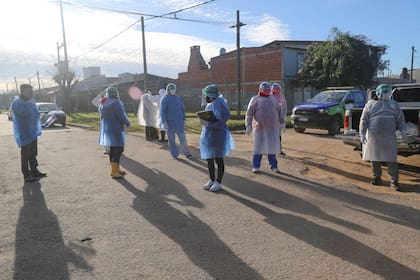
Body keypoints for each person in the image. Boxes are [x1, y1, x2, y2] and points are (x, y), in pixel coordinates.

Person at [360, 84, 406, 191]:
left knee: (391, 159)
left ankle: (394, 181)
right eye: (384, 92)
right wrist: (362, 133)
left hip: (389, 136)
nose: (386, 94)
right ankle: (377, 177)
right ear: (378, 93)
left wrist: (403, 131)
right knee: (374, 157)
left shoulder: (394, 105)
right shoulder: (370, 105)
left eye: (387, 92)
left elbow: (400, 119)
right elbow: (364, 120)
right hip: (374, 137)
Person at [199, 84, 234, 192]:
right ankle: (211, 179)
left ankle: (218, 182)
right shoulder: (214, 103)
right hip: (209, 135)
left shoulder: (218, 103)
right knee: (209, 158)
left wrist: (208, 124)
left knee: (218, 159)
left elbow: (221, 120)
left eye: (206, 95)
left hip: (217, 135)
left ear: (210, 95)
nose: (205, 97)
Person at [245, 81, 284, 173]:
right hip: (260, 128)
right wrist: (249, 125)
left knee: (271, 148)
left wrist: (282, 122)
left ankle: (273, 166)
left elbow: (279, 111)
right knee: (258, 148)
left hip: (272, 128)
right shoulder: (255, 99)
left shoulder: (273, 99)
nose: (267, 90)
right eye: (265, 89)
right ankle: (256, 166)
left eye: (268, 89)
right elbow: (249, 113)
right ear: (260, 89)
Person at [10, 84, 46, 182]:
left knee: (33, 152)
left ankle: (34, 171)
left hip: (32, 131)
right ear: (23, 91)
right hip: (25, 132)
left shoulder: (30, 101)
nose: (31, 93)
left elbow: (34, 114)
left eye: (32, 91)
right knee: (26, 154)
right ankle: (26, 175)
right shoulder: (17, 102)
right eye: (29, 91)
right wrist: (30, 108)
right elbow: (23, 113)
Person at [99, 86, 131, 179]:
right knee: (119, 149)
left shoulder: (104, 103)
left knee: (113, 149)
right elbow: (121, 115)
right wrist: (128, 123)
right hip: (116, 128)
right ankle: (114, 171)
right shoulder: (116, 103)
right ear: (115, 93)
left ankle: (116, 169)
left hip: (107, 129)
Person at [160, 83, 192, 159]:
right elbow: (162, 111)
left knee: (183, 139)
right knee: (171, 140)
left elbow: (182, 109)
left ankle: (187, 153)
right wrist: (164, 122)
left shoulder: (177, 98)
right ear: (168, 90)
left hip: (179, 122)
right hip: (170, 123)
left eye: (174, 89)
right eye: (171, 89)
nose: (173, 90)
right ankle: (174, 153)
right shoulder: (165, 99)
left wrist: (184, 119)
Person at [271, 82, 287, 156]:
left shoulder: (281, 97)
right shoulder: (269, 96)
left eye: (277, 89)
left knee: (278, 136)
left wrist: (283, 120)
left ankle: (279, 150)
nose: (276, 90)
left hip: (278, 119)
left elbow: (284, 109)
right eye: (275, 89)